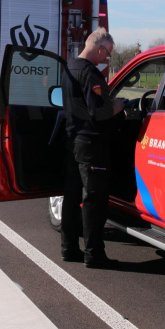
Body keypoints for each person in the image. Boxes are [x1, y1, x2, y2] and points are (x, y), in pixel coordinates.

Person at [60, 27, 125, 269]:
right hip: (91, 144)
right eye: (107, 54)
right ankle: (94, 254)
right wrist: (117, 106)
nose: (107, 59)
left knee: (72, 196)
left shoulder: (70, 68)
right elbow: (99, 111)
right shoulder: (90, 74)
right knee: (94, 201)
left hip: (73, 140)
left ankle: (68, 248)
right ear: (99, 49)